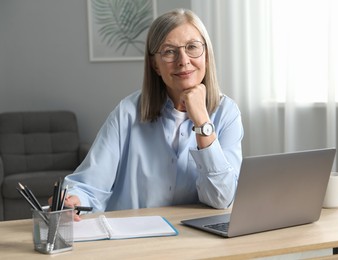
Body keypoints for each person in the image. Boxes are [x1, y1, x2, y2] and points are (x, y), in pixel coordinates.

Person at [60, 8, 244, 220]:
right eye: (169, 51)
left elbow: (222, 198)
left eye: (192, 47)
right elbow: (87, 185)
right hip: (134, 238)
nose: (183, 60)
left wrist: (202, 121)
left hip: (195, 241)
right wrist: (72, 199)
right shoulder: (127, 113)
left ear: (207, 55)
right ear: (155, 64)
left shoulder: (227, 113)